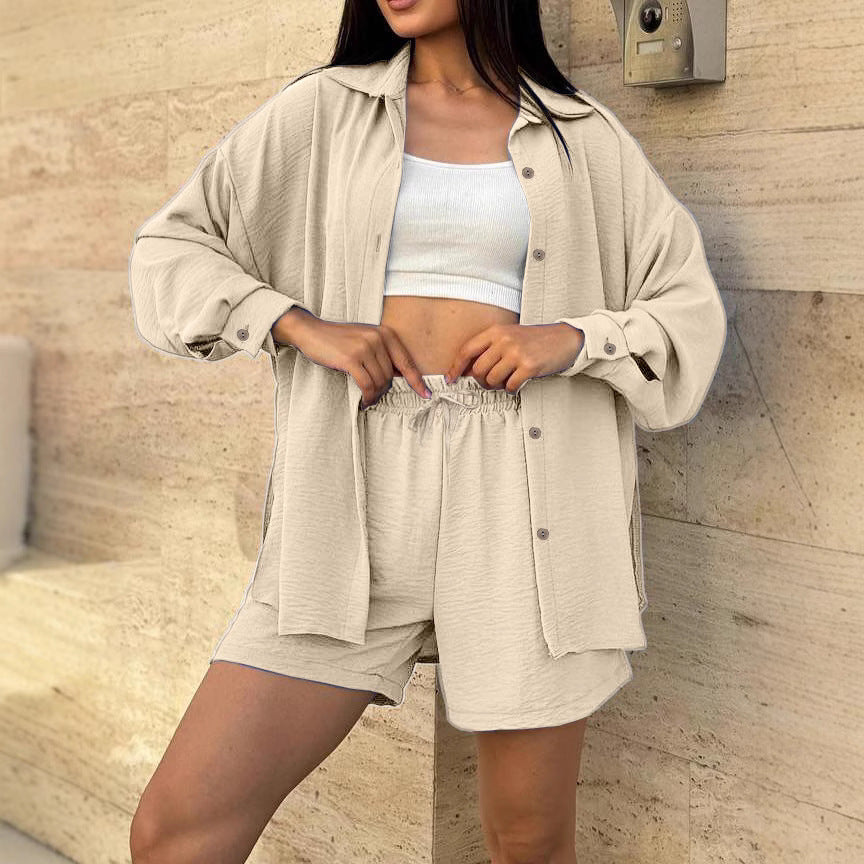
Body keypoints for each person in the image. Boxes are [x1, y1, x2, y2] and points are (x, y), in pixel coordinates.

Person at [127, 1, 727, 861]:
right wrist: (294, 323)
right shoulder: (324, 111)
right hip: (356, 491)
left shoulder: (578, 138)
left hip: (527, 501)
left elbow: (687, 312)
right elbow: (171, 249)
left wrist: (571, 339)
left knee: (528, 842)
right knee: (176, 827)